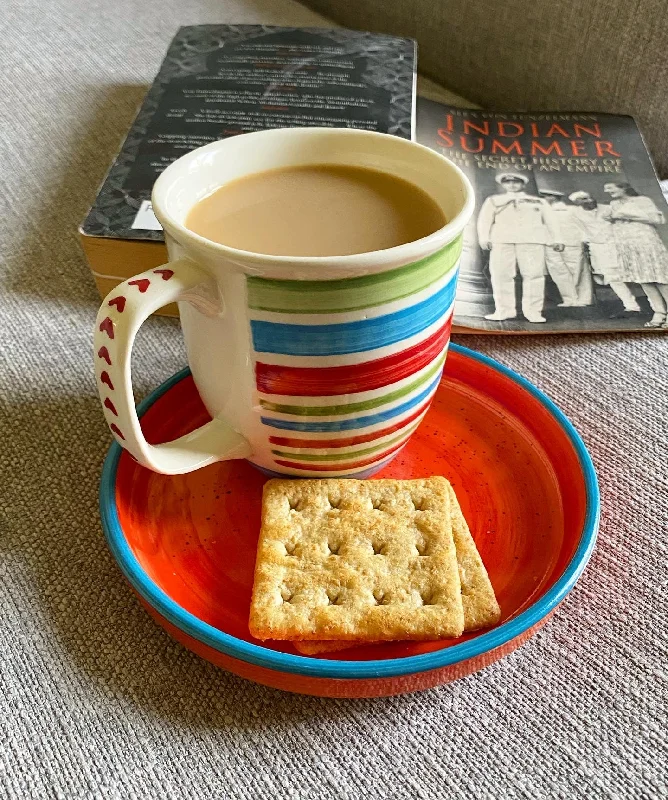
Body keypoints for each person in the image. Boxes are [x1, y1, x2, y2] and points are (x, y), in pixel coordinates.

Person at [477, 173, 563, 323]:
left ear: (523, 184)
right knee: (501, 275)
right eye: (508, 182)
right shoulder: (494, 200)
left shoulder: (538, 201)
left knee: (534, 275)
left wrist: (557, 239)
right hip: (502, 240)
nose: (512, 185)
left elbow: (551, 221)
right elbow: (484, 220)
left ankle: (533, 312)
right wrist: (484, 237)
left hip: (532, 240)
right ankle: (504, 311)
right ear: (503, 184)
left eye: (516, 182)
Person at [604, 181, 668, 328]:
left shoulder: (643, 200)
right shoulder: (614, 204)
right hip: (628, 246)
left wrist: (626, 214)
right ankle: (659, 312)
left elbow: (658, 219)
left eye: (610, 187)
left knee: (660, 278)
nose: (607, 191)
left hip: (646, 242)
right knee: (643, 279)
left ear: (623, 188)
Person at [569, 191, 641, 318]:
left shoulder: (608, 208)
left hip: (620, 245)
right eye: (583, 200)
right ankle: (631, 307)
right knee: (612, 277)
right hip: (599, 248)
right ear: (577, 203)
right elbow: (580, 231)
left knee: (637, 274)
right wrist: (587, 243)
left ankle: (659, 304)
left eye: (589, 197)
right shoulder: (576, 214)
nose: (588, 200)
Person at [539, 190, 593, 307]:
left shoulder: (572, 209)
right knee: (558, 272)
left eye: (546, 196)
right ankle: (569, 299)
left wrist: (584, 240)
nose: (543, 199)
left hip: (571, 243)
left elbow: (584, 225)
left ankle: (583, 299)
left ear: (554, 197)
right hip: (550, 244)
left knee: (577, 270)